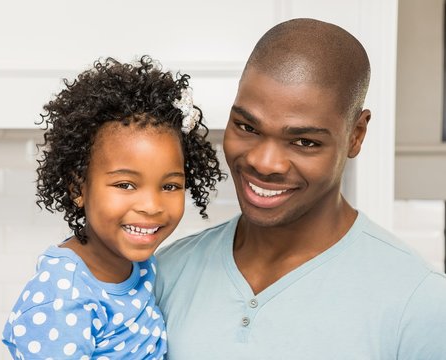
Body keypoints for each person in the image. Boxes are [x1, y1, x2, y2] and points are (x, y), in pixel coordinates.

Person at [155, 18, 446, 359]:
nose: (264, 162)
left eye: (304, 141)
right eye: (247, 126)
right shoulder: (167, 272)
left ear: (356, 135)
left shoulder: (419, 300)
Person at [1, 56, 225, 359]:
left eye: (170, 186)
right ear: (78, 189)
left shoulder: (140, 268)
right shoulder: (63, 294)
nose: (151, 206)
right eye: (125, 185)